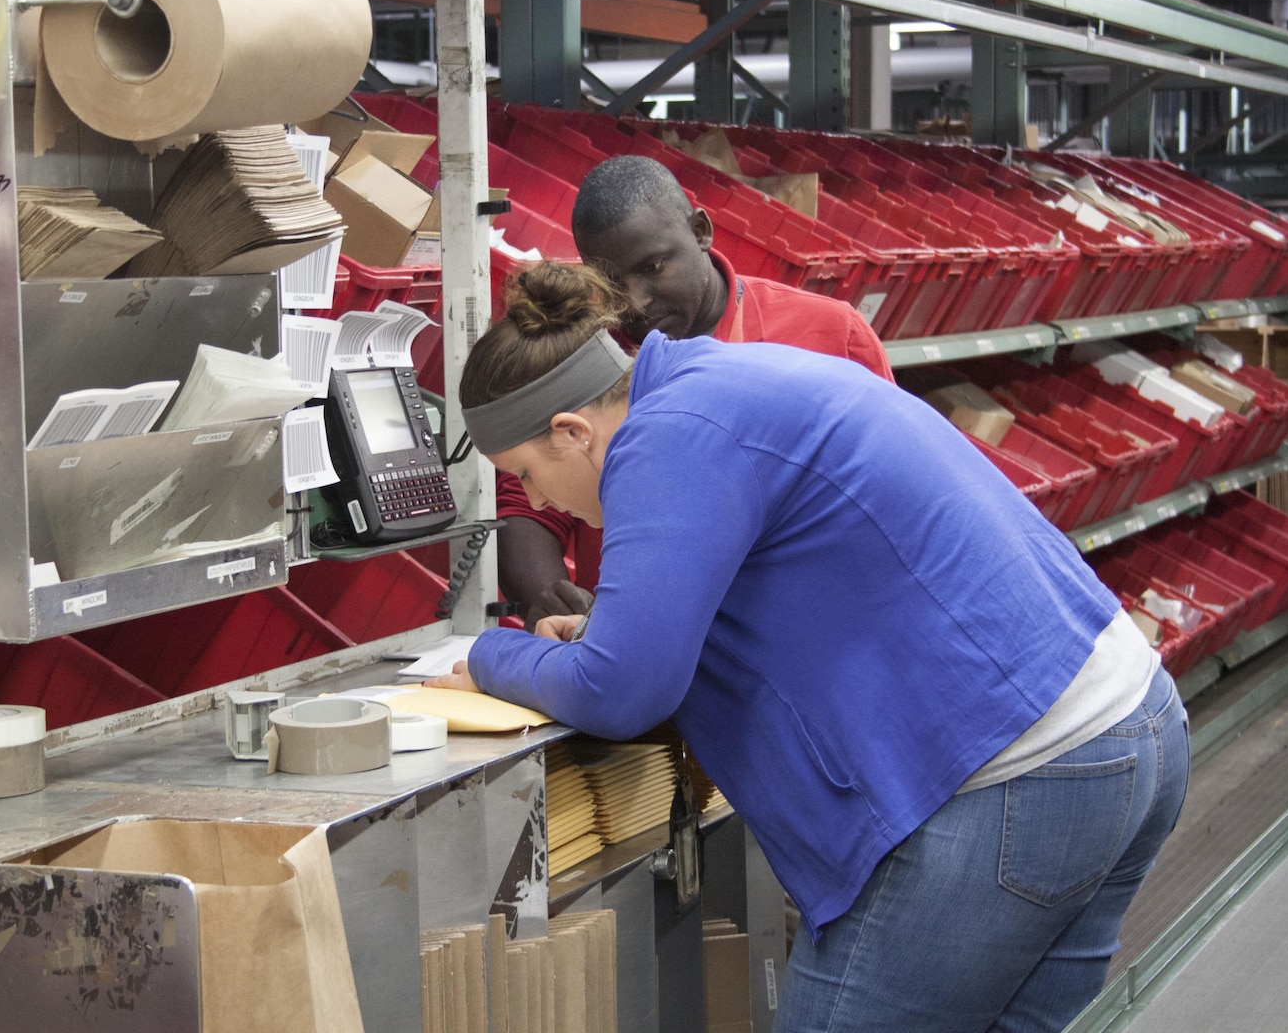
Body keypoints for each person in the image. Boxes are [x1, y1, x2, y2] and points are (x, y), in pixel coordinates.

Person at [430, 261, 1188, 1033]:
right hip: (1127, 723)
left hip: (1020, 770)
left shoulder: (667, 437)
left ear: (572, 432)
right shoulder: (715, 383)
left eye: (528, 475)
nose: (546, 503)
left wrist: (495, 656)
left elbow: (622, 690)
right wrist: (605, 632)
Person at [498, 155, 893, 628]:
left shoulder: (829, 334)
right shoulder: (587, 355)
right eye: (611, 283)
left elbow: (881, 498)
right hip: (635, 640)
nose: (637, 301)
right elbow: (528, 503)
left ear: (701, 231)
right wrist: (549, 596)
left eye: (654, 266)